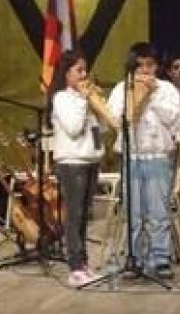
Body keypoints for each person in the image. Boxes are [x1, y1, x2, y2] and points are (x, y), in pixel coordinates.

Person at [107, 42, 180, 280]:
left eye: (149, 65)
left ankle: (160, 258)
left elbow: (175, 119)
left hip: (158, 155)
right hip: (132, 156)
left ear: (156, 67)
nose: (145, 71)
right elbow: (115, 118)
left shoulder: (166, 89)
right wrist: (135, 99)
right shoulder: (122, 88)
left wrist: (151, 96)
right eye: (139, 66)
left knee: (159, 211)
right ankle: (135, 257)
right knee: (134, 212)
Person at [46, 49, 103, 287]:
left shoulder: (84, 99)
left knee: (84, 216)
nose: (84, 74)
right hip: (72, 162)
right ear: (66, 73)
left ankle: (84, 263)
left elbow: (97, 130)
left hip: (90, 160)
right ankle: (75, 268)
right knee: (74, 215)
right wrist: (83, 100)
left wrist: (97, 107)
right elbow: (73, 128)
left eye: (85, 69)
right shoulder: (62, 98)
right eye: (79, 70)